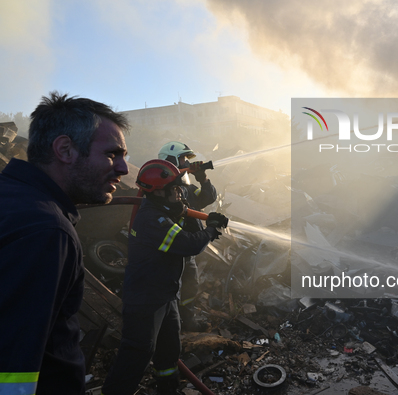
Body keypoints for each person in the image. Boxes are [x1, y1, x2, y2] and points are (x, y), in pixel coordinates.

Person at [0, 92, 130, 394]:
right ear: (65, 149)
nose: (124, 169)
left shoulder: (12, 198)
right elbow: (11, 367)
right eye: (113, 154)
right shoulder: (46, 230)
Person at [101, 159, 228, 395]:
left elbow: (190, 232)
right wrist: (210, 228)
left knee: (169, 349)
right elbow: (187, 244)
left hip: (165, 295)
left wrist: (196, 219)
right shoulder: (152, 219)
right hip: (146, 300)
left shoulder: (164, 210)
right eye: (175, 189)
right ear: (158, 191)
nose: (180, 192)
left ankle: (168, 389)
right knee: (137, 354)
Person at [158, 141, 217, 331]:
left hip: (188, 250)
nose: (186, 162)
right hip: (171, 251)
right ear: (170, 160)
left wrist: (203, 178)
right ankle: (171, 327)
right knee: (172, 290)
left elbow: (207, 198)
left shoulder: (188, 188)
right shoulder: (163, 190)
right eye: (183, 158)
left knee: (191, 286)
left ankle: (188, 322)